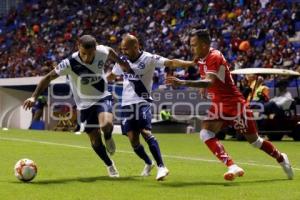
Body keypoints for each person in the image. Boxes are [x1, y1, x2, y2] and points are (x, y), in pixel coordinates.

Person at [166, 28, 294, 181]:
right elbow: (190, 66)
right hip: (219, 105)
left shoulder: (214, 56)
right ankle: (232, 165)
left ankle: (281, 157)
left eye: (194, 45)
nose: (191, 48)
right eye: (191, 45)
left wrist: (184, 82)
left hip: (235, 104)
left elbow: (209, 81)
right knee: (205, 133)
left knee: (254, 141)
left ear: (205, 45)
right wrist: (167, 63)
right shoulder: (201, 57)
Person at [23, 35, 130, 178]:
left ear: (95, 48)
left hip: (102, 96)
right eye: (84, 54)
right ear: (77, 47)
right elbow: (48, 77)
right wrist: (34, 96)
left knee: (106, 125)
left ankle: (109, 137)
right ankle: (109, 164)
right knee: (95, 140)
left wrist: (120, 62)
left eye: (90, 54)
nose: (86, 57)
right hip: (84, 104)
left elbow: (110, 51)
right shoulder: (69, 63)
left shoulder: (102, 52)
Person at [107, 34, 194, 180]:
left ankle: (161, 167)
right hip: (126, 104)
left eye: (126, 49)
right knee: (133, 140)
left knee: (145, 131)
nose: (123, 51)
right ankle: (149, 163)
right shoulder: (121, 61)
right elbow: (111, 76)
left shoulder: (149, 58)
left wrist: (191, 63)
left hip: (143, 101)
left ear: (136, 46)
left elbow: (171, 63)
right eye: (122, 49)